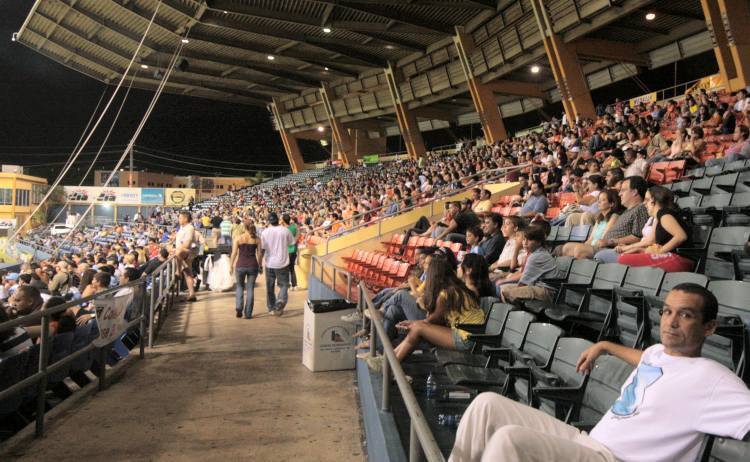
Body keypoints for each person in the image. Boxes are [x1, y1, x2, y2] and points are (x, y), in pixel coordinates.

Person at [449, 284, 750, 462]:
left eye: (685, 315)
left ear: (709, 328)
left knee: (510, 440)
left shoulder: (714, 379)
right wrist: (604, 345)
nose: (670, 322)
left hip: (614, 459)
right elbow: (642, 357)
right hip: (588, 442)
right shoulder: (659, 352)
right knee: (487, 405)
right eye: (667, 311)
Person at [390, 254, 485, 362]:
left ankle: (391, 363)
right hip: (471, 335)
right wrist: (413, 323)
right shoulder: (457, 288)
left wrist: (411, 324)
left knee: (418, 328)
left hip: (468, 339)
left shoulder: (446, 294)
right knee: (418, 327)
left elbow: (432, 320)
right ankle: (390, 360)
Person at [617, 186, 693, 272]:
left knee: (623, 259)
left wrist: (660, 251)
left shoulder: (664, 214)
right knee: (626, 256)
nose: (644, 203)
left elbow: (681, 236)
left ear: (654, 201)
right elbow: (654, 243)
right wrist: (640, 249)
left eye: (647, 200)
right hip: (672, 256)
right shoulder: (659, 216)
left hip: (681, 260)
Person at [593, 176, 650, 263]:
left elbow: (637, 237)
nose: (619, 194)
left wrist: (610, 242)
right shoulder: (627, 211)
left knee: (574, 250)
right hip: (608, 248)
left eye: (623, 190)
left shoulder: (640, 208)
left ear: (634, 192)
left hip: (617, 249)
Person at [499, 226, 561, 305]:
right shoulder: (536, 253)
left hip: (547, 292)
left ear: (539, 242)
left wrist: (514, 292)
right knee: (504, 288)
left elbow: (523, 283)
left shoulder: (536, 256)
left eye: (530, 240)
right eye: (524, 239)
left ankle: (520, 313)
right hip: (537, 287)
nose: (525, 243)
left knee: (508, 292)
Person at [560, 188, 622, 259]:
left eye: (603, 200)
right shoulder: (600, 217)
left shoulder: (614, 216)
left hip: (602, 247)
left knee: (579, 250)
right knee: (565, 247)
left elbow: (603, 238)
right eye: (599, 199)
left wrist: (583, 247)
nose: (599, 202)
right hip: (592, 246)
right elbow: (591, 238)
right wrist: (584, 245)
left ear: (611, 204)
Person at [259, 212, 295, 316]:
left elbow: (262, 249)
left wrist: (260, 263)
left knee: (270, 287)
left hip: (269, 263)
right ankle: (280, 301)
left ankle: (271, 308)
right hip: (282, 263)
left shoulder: (265, 232)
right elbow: (291, 242)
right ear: (278, 219)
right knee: (284, 285)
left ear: (269, 221)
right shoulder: (285, 230)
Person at [229, 219, 261, 319]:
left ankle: (239, 307)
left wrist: (231, 265)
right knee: (250, 289)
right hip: (253, 265)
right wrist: (260, 265)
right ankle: (248, 313)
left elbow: (234, 253)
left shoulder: (238, 238)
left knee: (240, 287)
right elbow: (259, 254)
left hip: (240, 265)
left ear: (244, 227)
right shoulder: (257, 239)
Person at [174, 210, 198, 302]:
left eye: (180, 218)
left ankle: (178, 271)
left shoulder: (189, 228)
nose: (178, 219)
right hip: (182, 253)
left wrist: (175, 249)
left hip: (186, 252)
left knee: (178, 252)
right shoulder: (182, 228)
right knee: (188, 273)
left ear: (185, 218)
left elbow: (187, 244)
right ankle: (192, 294)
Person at [283, 213, 299, 291]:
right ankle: (294, 285)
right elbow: (297, 237)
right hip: (294, 249)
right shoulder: (295, 227)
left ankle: (288, 285)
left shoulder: (284, 229)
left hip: (287, 250)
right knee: (292, 268)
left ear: (283, 220)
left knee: (285, 268)